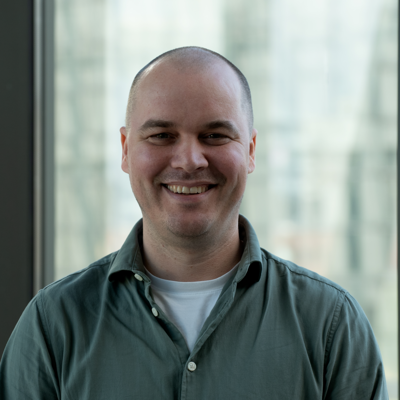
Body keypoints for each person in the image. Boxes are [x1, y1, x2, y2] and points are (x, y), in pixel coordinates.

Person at [0, 46, 388, 399]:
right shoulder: (53, 326)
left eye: (215, 135)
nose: (189, 160)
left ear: (251, 151)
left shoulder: (331, 325)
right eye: (161, 135)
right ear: (125, 150)